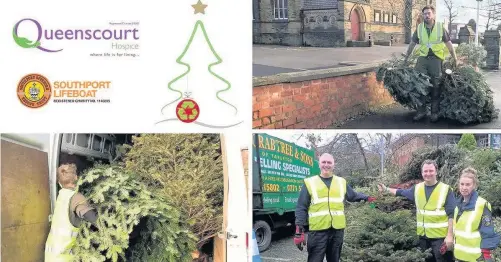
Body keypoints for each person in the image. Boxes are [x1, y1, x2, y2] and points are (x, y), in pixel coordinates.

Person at [294, 153, 376, 262]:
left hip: (337, 232)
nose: (326, 165)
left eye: (329, 162)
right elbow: (301, 207)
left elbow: (353, 196)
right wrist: (299, 231)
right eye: (323, 162)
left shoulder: (341, 182)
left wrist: (368, 198)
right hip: (317, 232)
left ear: (333, 165)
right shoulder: (310, 183)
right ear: (319, 164)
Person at [378, 159, 455, 262]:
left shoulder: (446, 189)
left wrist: (450, 236)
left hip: (440, 239)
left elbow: (452, 214)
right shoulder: (417, 189)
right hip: (423, 239)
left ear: (436, 172)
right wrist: (386, 189)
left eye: (431, 171)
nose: (428, 174)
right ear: (422, 173)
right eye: (425, 171)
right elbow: (400, 192)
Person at [403, 5, 458, 122]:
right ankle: (421, 111)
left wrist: (455, 58)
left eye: (429, 13)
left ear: (433, 15)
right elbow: (412, 44)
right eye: (425, 14)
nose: (426, 15)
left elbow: (448, 43)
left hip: (436, 59)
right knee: (419, 84)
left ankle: (434, 112)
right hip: (423, 59)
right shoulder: (419, 28)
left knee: (436, 85)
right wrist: (406, 58)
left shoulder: (440, 27)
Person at [45, 163, 98, 261]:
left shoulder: (61, 195)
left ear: (59, 182)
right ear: (76, 177)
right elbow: (92, 217)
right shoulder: (76, 197)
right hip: (63, 258)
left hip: (50, 255)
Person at [453, 167, 500, 262]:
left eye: (468, 184)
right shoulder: (457, 205)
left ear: (474, 185)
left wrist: (486, 255)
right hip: (459, 256)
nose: (464, 187)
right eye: (462, 184)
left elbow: (488, 232)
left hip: (476, 257)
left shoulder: (482, 205)